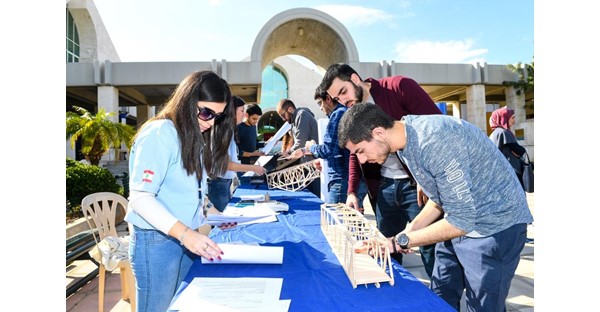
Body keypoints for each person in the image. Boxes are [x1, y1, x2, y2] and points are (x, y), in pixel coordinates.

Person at [339, 103, 534, 312]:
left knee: (483, 307)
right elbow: (441, 198)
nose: (361, 160)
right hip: (460, 219)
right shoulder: (403, 142)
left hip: (496, 227)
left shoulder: (433, 141)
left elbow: (461, 221)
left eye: (360, 150)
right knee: (440, 296)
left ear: (378, 132)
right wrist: (408, 231)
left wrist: (398, 242)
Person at [125, 70, 238, 312]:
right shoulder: (160, 133)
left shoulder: (192, 136)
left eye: (217, 117)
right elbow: (141, 197)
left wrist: (214, 213)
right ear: (187, 100)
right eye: (206, 112)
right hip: (157, 240)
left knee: (180, 307)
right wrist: (186, 235)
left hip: (186, 236)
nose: (210, 122)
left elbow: (191, 190)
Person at [320, 63, 439, 276]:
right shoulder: (352, 112)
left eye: (343, 92)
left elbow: (436, 129)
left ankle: (442, 303)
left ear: (355, 79)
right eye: (337, 99)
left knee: (431, 248)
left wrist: (426, 174)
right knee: (386, 249)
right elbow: (356, 154)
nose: (343, 101)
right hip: (384, 187)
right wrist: (351, 191)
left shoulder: (399, 87)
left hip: (417, 187)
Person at [207, 96, 266, 212]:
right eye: (242, 110)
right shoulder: (223, 131)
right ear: (232, 110)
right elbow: (227, 164)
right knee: (222, 223)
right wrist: (253, 168)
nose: (244, 115)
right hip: (219, 183)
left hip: (224, 182)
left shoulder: (228, 129)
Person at [299, 86, 350, 204]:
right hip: (344, 177)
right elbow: (338, 150)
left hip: (340, 179)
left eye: (319, 103)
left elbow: (328, 150)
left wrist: (311, 146)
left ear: (328, 98)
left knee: (339, 219)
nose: (320, 108)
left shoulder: (338, 114)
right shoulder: (343, 112)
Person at [276, 98, 321, 197]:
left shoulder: (302, 115)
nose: (283, 119)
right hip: (307, 166)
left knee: (315, 197)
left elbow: (301, 143)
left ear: (290, 109)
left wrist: (287, 154)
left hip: (313, 166)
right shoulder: (294, 121)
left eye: (283, 115)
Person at [489, 106, 527, 189]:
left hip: (503, 171)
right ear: (503, 118)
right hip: (512, 171)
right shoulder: (503, 132)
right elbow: (520, 151)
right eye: (512, 118)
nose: (514, 120)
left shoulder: (495, 133)